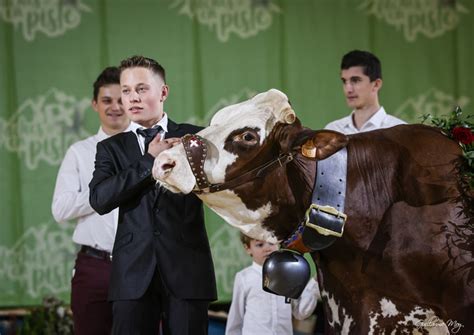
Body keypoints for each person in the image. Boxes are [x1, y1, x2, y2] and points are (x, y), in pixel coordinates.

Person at [89, 55, 217, 335]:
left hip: (188, 272)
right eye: (126, 91)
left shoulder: (195, 138)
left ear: (163, 92)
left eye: (141, 89)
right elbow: (99, 199)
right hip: (132, 275)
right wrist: (149, 161)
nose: (132, 98)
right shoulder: (110, 148)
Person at [51, 66, 131, 334]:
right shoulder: (79, 152)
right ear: (95, 104)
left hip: (139, 264)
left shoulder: (150, 149)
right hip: (94, 266)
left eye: (121, 99)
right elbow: (60, 209)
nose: (115, 107)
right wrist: (106, 191)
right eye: (107, 100)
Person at [225, 233, 319, 335]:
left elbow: (300, 313)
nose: (267, 248)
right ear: (248, 248)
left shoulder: (289, 275)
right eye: (260, 245)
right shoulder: (244, 278)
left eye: (272, 243)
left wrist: (315, 282)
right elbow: (236, 319)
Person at [325, 50, 406, 134]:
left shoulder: (400, 132)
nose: (348, 89)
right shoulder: (332, 131)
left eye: (355, 80)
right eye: (344, 81)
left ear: (376, 84)